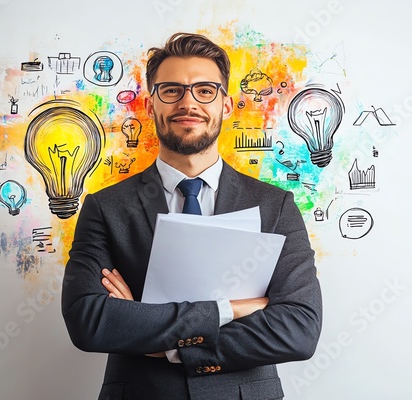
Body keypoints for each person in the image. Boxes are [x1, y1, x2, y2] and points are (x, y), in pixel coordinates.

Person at [62, 32, 322, 400]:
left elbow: (299, 329)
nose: (188, 102)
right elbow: (89, 321)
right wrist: (230, 309)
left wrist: (167, 342)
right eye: (172, 90)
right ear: (151, 105)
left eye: (205, 90)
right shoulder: (106, 207)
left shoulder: (275, 206)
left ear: (226, 105)